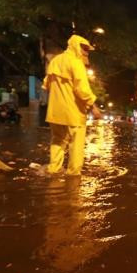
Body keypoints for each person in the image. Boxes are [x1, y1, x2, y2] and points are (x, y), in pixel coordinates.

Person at [42, 34, 101, 176]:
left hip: (55, 111)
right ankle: (73, 175)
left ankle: (54, 169)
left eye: (88, 50)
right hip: (73, 112)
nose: (87, 52)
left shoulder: (55, 61)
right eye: (85, 48)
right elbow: (82, 89)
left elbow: (46, 84)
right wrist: (93, 106)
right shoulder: (76, 63)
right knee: (76, 144)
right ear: (76, 46)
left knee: (57, 141)